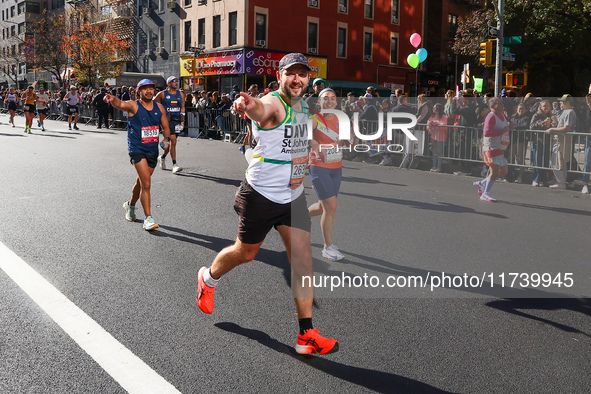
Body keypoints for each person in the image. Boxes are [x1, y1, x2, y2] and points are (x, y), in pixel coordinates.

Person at [195, 53, 339, 356]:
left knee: (302, 260)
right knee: (246, 253)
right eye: (291, 74)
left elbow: (299, 138)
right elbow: (263, 111)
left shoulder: (303, 109)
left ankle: (306, 335)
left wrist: (314, 148)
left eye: (303, 74)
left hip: (292, 197)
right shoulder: (273, 103)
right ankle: (208, 279)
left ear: (309, 79)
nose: (297, 80)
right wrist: (249, 106)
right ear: (280, 75)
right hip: (260, 195)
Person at [104, 79, 171, 231]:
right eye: (144, 89)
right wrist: (112, 99)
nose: (148, 91)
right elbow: (120, 104)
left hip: (152, 150)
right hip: (137, 149)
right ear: (139, 91)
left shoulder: (159, 108)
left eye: (151, 88)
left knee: (141, 182)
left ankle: (130, 205)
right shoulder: (134, 105)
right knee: (146, 183)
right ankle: (148, 218)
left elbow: (165, 127)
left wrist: (166, 139)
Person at [307, 88, 348, 261]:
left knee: (323, 206)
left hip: (336, 167)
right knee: (331, 207)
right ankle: (328, 247)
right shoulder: (314, 119)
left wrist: (349, 139)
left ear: (337, 103)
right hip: (319, 167)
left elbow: (346, 140)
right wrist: (313, 141)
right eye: (325, 99)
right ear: (320, 102)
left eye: (332, 98)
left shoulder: (341, 119)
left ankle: (296, 218)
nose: (329, 101)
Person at [473, 97, 515, 202]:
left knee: (503, 171)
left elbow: (505, 129)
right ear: (492, 106)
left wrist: (510, 128)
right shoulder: (491, 116)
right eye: (498, 104)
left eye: (501, 103)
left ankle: (482, 184)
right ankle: (485, 193)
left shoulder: (502, 115)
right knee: (495, 171)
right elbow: (486, 133)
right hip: (491, 147)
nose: (501, 105)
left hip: (500, 148)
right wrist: (502, 131)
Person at [154, 76, 185, 173]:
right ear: (168, 83)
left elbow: (183, 108)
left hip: (176, 120)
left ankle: (162, 157)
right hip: (166, 121)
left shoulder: (181, 94)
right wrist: (158, 113)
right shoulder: (162, 94)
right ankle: (175, 165)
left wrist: (182, 121)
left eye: (177, 81)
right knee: (173, 141)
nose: (176, 83)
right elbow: (152, 103)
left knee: (172, 143)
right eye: (173, 81)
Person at [545, 94, 577, 189]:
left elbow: (567, 127)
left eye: (562, 102)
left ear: (568, 102)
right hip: (560, 139)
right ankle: (561, 181)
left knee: (556, 161)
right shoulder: (566, 112)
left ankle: (561, 182)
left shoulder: (569, 112)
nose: (560, 103)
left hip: (562, 140)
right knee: (560, 161)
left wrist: (552, 129)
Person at [529, 99, 553, 187]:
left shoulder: (551, 115)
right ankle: (536, 179)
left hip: (547, 140)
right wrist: (542, 123)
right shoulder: (536, 115)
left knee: (546, 161)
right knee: (537, 160)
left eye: (547, 105)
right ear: (541, 107)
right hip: (538, 140)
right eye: (544, 106)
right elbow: (531, 126)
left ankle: (543, 179)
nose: (546, 107)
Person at [427, 103, 448, 172]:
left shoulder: (443, 117)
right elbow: (428, 125)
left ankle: (439, 166)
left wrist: (436, 124)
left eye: (434, 108)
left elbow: (444, 125)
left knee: (439, 152)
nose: (433, 109)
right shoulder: (432, 116)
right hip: (433, 136)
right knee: (434, 152)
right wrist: (430, 124)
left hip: (441, 137)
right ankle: (434, 165)